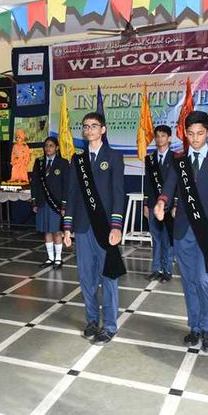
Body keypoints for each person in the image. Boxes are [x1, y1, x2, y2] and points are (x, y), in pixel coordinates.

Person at [154, 111, 208, 353]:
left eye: (200, 134)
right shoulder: (178, 160)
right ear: (185, 133)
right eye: (191, 134)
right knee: (190, 281)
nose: (195, 139)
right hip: (183, 230)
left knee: (207, 280)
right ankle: (194, 327)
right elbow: (169, 187)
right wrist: (162, 202)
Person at [63, 112, 126, 345]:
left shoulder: (114, 156)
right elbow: (71, 194)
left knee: (108, 276)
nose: (89, 130)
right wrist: (67, 227)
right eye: (85, 126)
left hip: (106, 227)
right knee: (86, 277)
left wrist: (117, 225)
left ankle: (109, 325)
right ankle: (92, 320)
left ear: (103, 129)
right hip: (82, 227)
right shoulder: (77, 161)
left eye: (94, 126)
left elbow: (119, 193)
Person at [143, 125, 175, 283]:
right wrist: (146, 204)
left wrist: (175, 205)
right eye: (157, 136)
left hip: (169, 206)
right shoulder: (149, 159)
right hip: (153, 205)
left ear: (169, 138)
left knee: (167, 238)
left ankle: (167, 269)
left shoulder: (176, 158)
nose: (160, 139)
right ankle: (156, 269)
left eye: (163, 136)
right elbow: (148, 183)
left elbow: (178, 185)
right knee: (155, 237)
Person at [31, 136, 68, 269]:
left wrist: (64, 205)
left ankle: (58, 258)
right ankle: (50, 258)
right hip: (42, 202)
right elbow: (34, 183)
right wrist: (34, 202)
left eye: (51, 145)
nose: (48, 148)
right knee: (46, 230)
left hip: (56, 204)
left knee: (56, 231)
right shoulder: (39, 162)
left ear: (56, 147)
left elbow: (66, 186)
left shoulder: (63, 163)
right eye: (46, 145)